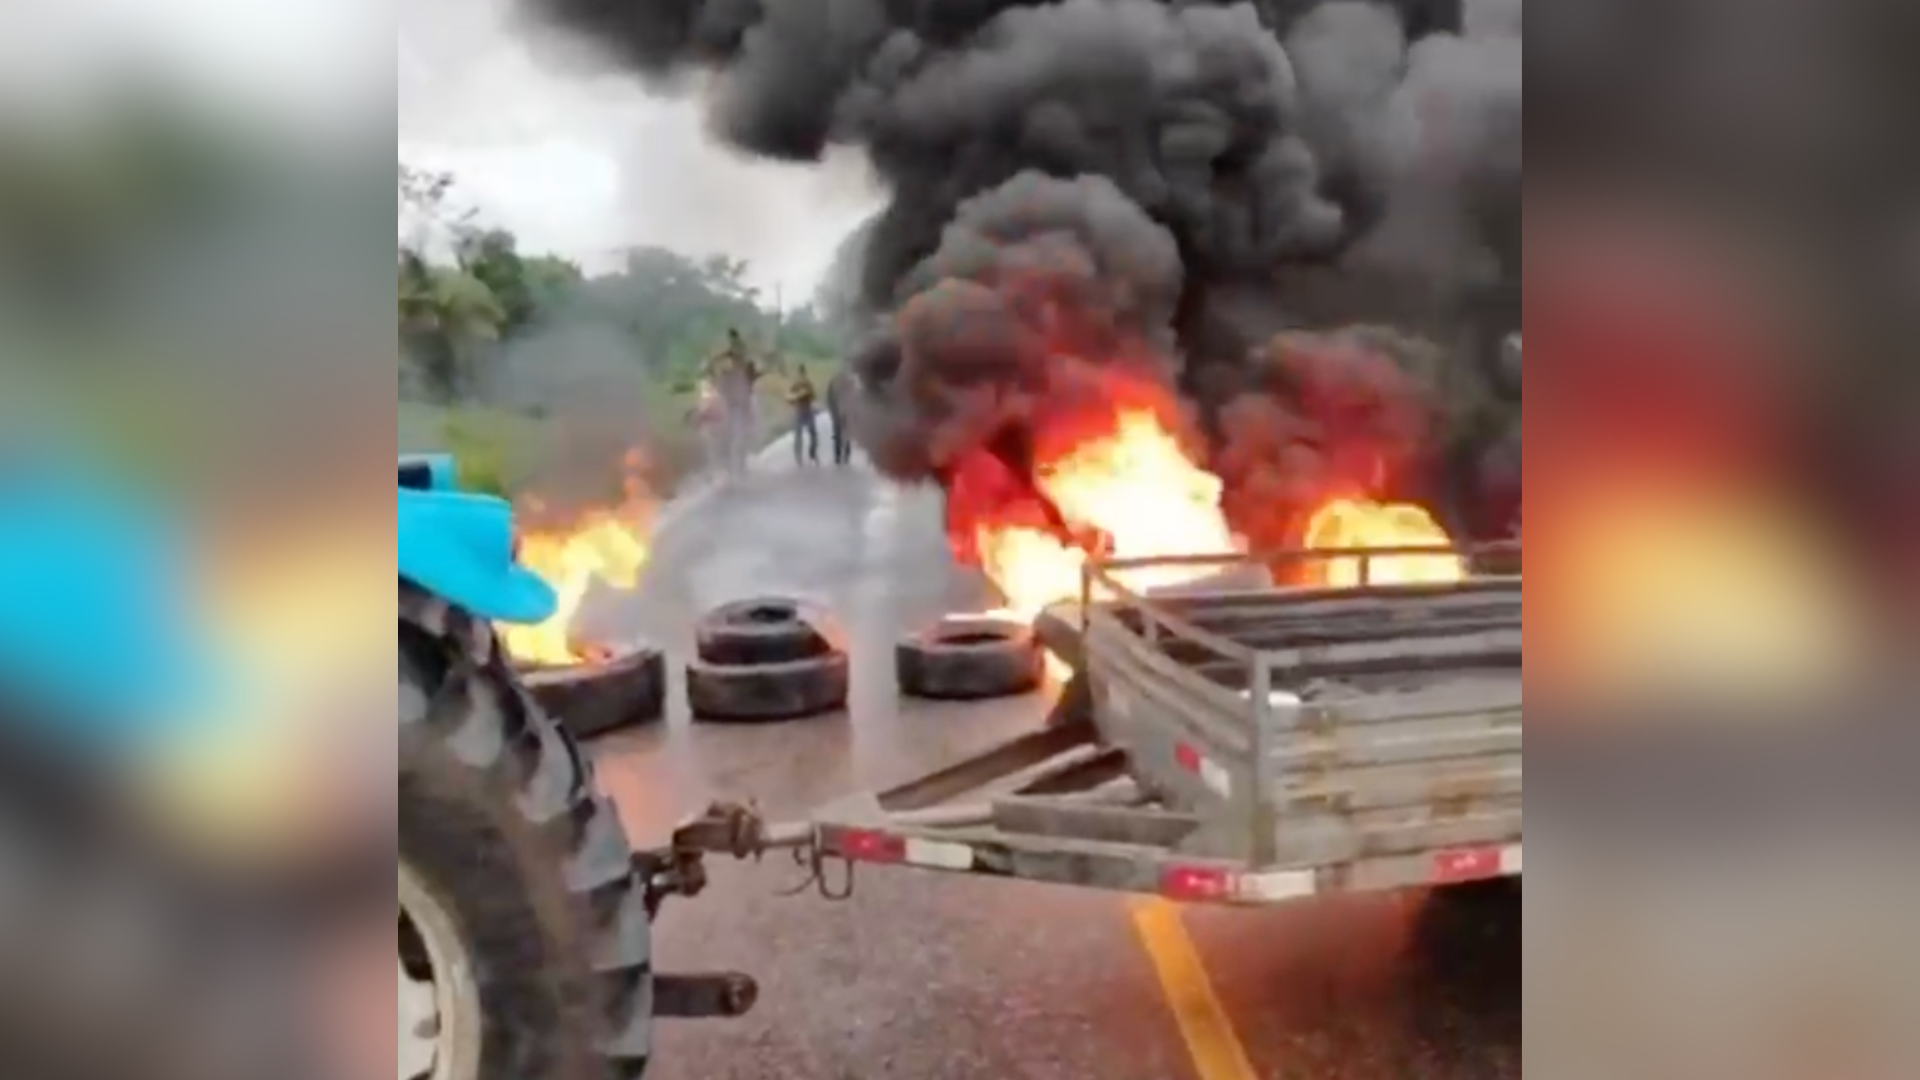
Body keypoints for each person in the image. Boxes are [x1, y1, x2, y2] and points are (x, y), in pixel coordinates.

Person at [704, 328, 759, 479]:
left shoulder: (740, 356)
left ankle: (739, 461)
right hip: (731, 402)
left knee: (740, 431)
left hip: (739, 401)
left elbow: (740, 361)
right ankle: (730, 462)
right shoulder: (729, 368)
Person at [786, 368, 820, 465]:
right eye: (801, 375)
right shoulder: (796, 384)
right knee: (799, 435)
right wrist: (796, 396)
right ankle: (798, 455)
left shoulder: (808, 384)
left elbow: (814, 396)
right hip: (800, 410)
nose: (802, 378)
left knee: (812, 433)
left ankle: (812, 453)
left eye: (803, 375)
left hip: (807, 410)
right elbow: (788, 397)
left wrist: (807, 395)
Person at [825, 366, 855, 465]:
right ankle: (846, 454)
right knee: (845, 433)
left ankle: (838, 455)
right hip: (844, 412)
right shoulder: (849, 382)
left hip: (838, 412)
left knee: (838, 434)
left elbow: (828, 398)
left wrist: (831, 410)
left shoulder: (834, 382)